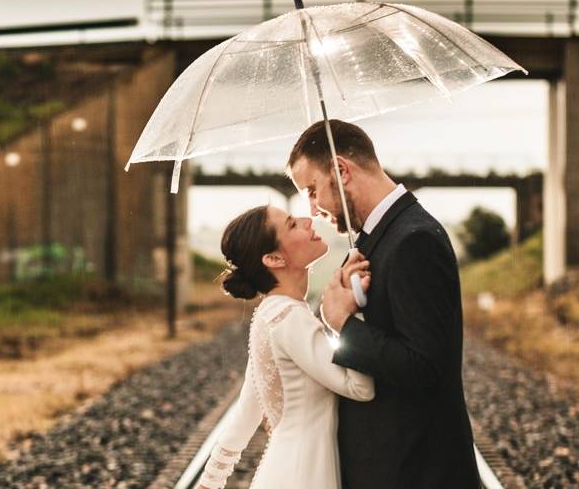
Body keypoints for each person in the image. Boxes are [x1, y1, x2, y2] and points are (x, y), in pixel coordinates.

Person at [288, 119, 483, 489]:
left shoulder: (414, 240)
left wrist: (342, 324)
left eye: (312, 190)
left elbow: (425, 368)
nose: (312, 209)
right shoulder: (382, 237)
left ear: (341, 171)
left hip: (416, 472)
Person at [195, 205, 375, 489]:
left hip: (284, 470)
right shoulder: (291, 319)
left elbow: (247, 411)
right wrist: (350, 314)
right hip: (306, 475)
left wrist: (209, 482)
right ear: (274, 258)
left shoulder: (270, 313)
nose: (307, 220)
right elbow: (360, 388)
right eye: (292, 224)